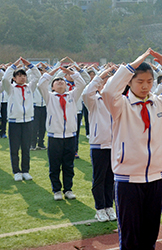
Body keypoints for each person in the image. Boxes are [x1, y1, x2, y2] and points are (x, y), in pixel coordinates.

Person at [101, 49, 162, 250]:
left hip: (156, 177)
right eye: (140, 81)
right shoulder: (120, 105)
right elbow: (108, 92)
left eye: (149, 81)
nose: (145, 86)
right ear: (129, 82)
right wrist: (130, 67)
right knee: (130, 236)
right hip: (128, 179)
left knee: (150, 235)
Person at [38, 64, 86, 200]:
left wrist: (70, 72)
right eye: (56, 81)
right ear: (52, 87)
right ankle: (56, 190)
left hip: (70, 136)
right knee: (54, 165)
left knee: (68, 165)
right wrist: (54, 72)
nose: (60, 82)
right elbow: (41, 84)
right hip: (55, 137)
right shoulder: (49, 97)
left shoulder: (72, 96)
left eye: (62, 81)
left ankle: (68, 189)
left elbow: (82, 84)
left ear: (66, 86)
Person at [83, 65, 117, 222]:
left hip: (114, 145)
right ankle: (99, 209)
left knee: (111, 178)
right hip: (99, 145)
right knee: (99, 178)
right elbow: (86, 92)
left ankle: (109, 207)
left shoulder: (116, 101)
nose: (105, 85)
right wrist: (101, 75)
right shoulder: (93, 100)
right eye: (103, 83)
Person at [2, 57, 40, 181]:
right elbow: (4, 79)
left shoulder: (30, 87)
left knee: (26, 147)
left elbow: (37, 76)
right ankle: (16, 171)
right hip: (14, 122)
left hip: (28, 121)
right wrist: (14, 66)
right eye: (19, 76)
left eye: (23, 75)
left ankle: (25, 170)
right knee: (14, 148)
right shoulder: (10, 89)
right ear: (14, 78)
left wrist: (29, 65)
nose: (22, 78)